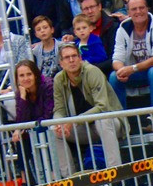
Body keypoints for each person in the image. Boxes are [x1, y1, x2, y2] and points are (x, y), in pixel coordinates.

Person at [53, 43, 127, 173]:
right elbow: (59, 110)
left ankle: (115, 174)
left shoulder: (92, 71)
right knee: (54, 130)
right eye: (67, 57)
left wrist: (73, 121)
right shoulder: (59, 79)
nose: (71, 60)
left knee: (102, 122)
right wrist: (59, 123)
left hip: (110, 122)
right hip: (84, 128)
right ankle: (68, 180)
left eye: (74, 56)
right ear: (61, 63)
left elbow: (102, 107)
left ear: (80, 58)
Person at [110, 0, 153, 109]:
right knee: (114, 76)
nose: (138, 12)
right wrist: (121, 70)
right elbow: (117, 58)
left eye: (141, 8)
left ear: (147, 9)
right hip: (136, 71)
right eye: (134, 9)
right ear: (128, 12)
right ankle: (121, 121)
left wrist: (132, 68)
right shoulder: (123, 28)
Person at [11, 59, 67, 179]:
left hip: (49, 125)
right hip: (34, 127)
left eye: (29, 74)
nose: (26, 78)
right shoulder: (20, 94)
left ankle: (52, 176)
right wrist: (23, 98)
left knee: (36, 132)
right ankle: (26, 179)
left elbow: (48, 114)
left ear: (35, 75)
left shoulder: (48, 85)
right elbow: (21, 120)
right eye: (21, 75)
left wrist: (27, 128)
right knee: (21, 138)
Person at [73, 0, 119, 77]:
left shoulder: (113, 26)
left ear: (99, 7)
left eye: (92, 7)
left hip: (107, 71)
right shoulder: (79, 32)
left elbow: (114, 58)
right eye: (86, 9)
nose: (90, 11)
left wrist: (90, 68)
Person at [31, 15, 63, 81]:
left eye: (45, 27)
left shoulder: (62, 47)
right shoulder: (34, 52)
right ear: (36, 34)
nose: (42, 31)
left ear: (52, 30)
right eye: (38, 29)